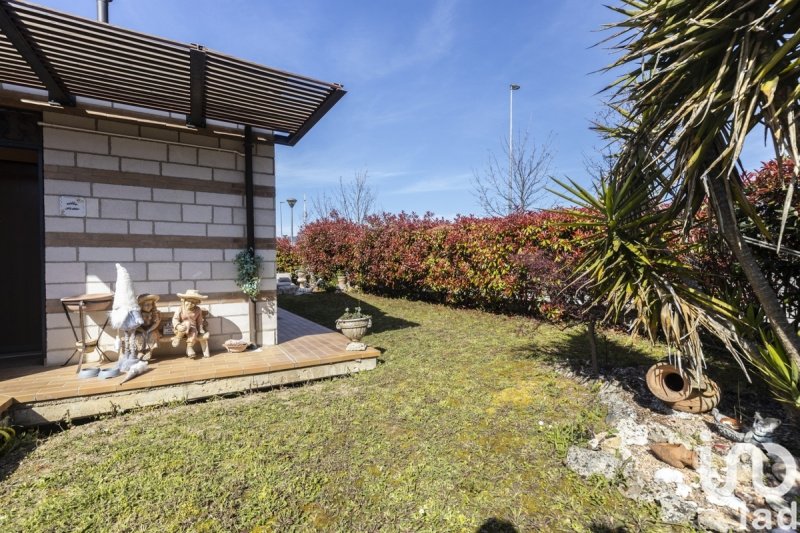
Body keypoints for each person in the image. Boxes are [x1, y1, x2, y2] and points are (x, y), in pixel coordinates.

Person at [171, 289, 210, 358]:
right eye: (189, 301)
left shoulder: (198, 310)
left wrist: (200, 329)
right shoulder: (180, 309)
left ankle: (189, 347)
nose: (191, 304)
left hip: (192, 328)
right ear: (184, 300)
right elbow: (175, 319)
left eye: (194, 302)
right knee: (187, 323)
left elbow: (199, 321)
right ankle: (178, 338)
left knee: (194, 332)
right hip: (181, 329)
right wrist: (177, 326)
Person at [134, 294, 161, 360]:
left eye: (151, 304)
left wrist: (149, 330)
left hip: (152, 329)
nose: (149, 306)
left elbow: (156, 323)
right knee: (138, 336)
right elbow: (135, 325)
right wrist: (142, 330)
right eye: (147, 305)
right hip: (140, 330)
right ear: (141, 305)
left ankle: (149, 351)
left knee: (152, 335)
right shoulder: (137, 314)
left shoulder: (155, 313)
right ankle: (140, 351)